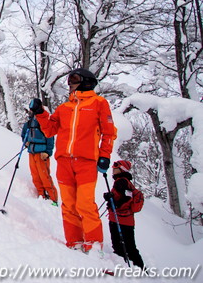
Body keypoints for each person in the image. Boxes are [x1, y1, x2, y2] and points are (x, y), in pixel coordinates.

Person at [29, 68, 117, 253]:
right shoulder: (64, 108)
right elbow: (50, 129)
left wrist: (104, 155)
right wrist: (40, 112)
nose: (70, 83)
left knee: (85, 204)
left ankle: (93, 244)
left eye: (74, 79)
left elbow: (109, 132)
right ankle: (74, 242)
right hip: (64, 162)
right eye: (69, 80)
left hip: (86, 162)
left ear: (87, 81)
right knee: (68, 204)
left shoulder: (99, 103)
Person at [103, 160, 146, 269]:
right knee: (129, 247)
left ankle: (135, 268)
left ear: (122, 169)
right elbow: (123, 197)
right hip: (125, 220)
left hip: (120, 219)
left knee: (121, 246)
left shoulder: (121, 181)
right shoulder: (124, 181)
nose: (113, 171)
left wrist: (115, 204)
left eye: (115, 169)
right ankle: (138, 267)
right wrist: (111, 197)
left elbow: (126, 199)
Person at [21, 113, 58, 204]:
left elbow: (50, 137)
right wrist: (26, 142)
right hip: (32, 152)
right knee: (35, 175)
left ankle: (53, 198)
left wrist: (47, 152)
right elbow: (24, 135)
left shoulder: (45, 123)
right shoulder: (28, 124)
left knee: (44, 176)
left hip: (42, 153)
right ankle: (42, 195)